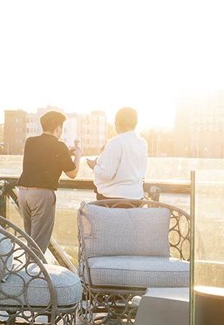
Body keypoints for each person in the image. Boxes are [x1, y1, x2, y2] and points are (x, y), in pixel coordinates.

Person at [16, 110, 81, 253]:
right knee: (38, 245)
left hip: (23, 194)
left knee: (30, 239)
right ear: (58, 127)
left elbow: (44, 156)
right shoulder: (59, 146)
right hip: (41, 196)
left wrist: (65, 153)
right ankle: (35, 274)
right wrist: (78, 156)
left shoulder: (30, 142)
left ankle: (29, 272)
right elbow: (72, 173)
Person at [87, 106, 148, 203]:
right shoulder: (142, 143)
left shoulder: (116, 142)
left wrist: (94, 166)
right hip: (137, 198)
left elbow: (107, 174)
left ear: (117, 122)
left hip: (113, 200)